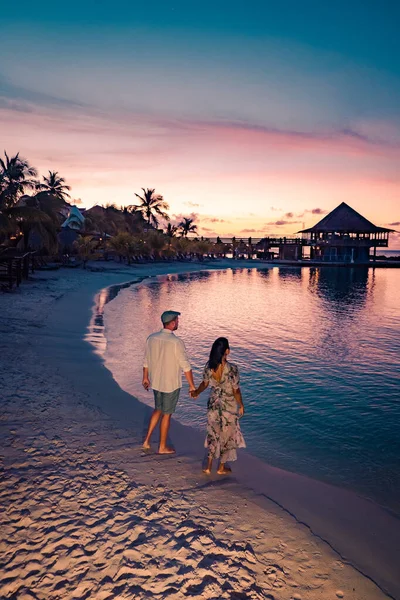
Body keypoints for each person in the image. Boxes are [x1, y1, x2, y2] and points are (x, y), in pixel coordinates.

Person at [142, 310, 195, 454]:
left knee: (157, 409)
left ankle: (146, 441)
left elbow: (146, 360)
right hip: (170, 384)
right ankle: (162, 446)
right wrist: (192, 386)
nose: (178, 322)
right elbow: (186, 366)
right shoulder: (176, 342)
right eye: (177, 320)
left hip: (156, 382)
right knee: (167, 414)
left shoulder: (151, 338)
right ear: (172, 323)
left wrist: (145, 377)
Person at [191, 337, 245, 474]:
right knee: (227, 436)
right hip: (228, 407)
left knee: (213, 434)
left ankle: (208, 466)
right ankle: (221, 467)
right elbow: (236, 390)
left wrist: (196, 392)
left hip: (213, 405)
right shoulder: (232, 369)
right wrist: (241, 405)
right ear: (227, 351)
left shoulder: (209, 366)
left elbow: (205, 383)